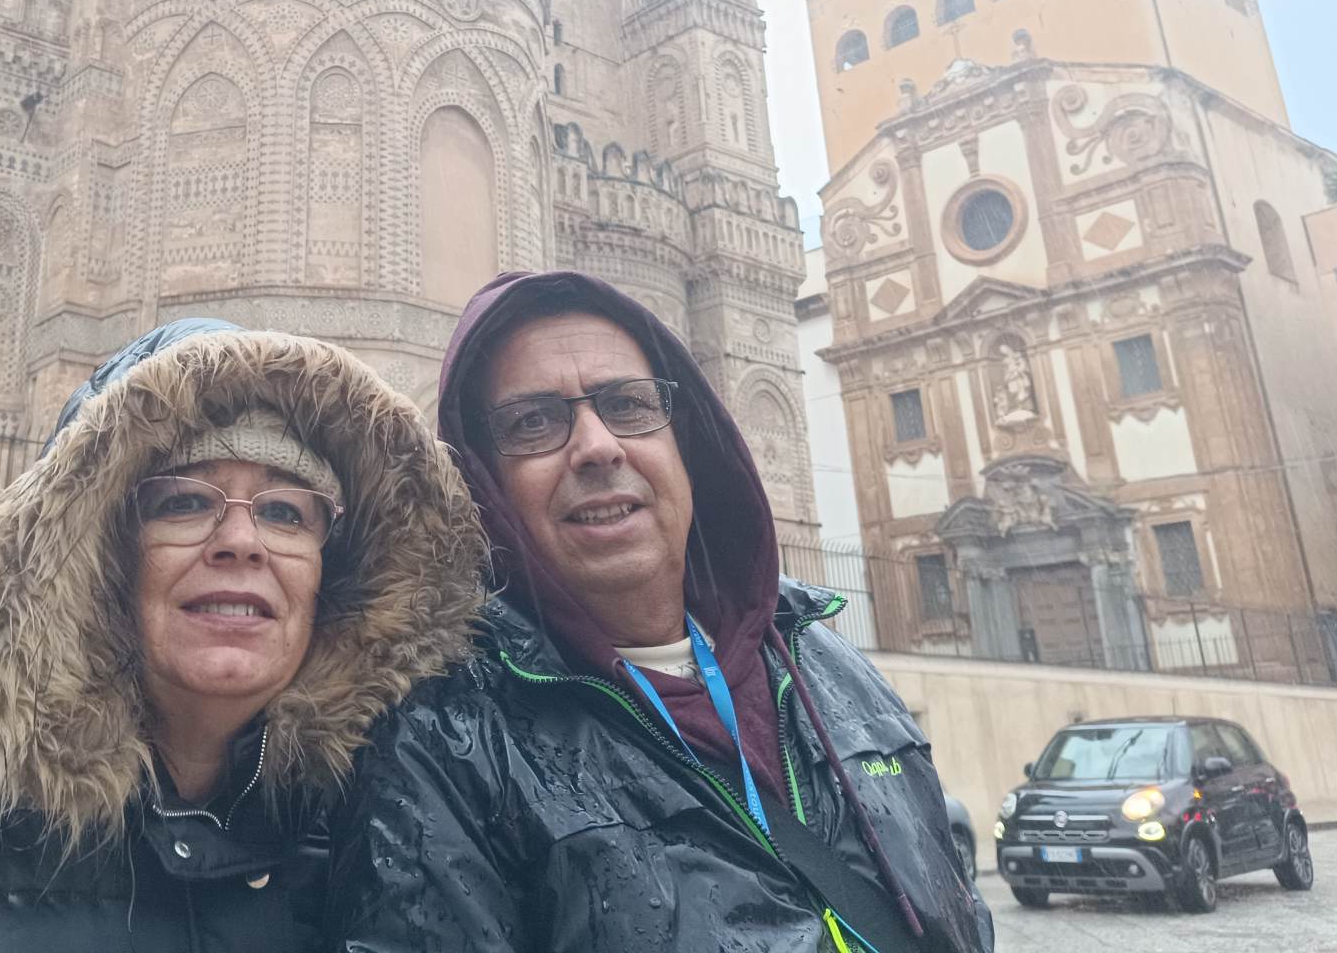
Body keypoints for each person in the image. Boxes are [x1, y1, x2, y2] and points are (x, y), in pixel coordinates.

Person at [0, 322, 484, 951]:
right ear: (102, 558)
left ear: (333, 576)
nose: (241, 542)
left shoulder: (398, 840)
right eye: (185, 502)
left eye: (284, 512)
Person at [328, 272, 993, 952]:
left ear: (689, 443)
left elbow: (954, 906)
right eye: (533, 422)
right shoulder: (446, 739)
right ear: (482, 484)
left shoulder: (820, 656)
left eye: (627, 404)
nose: (597, 447)